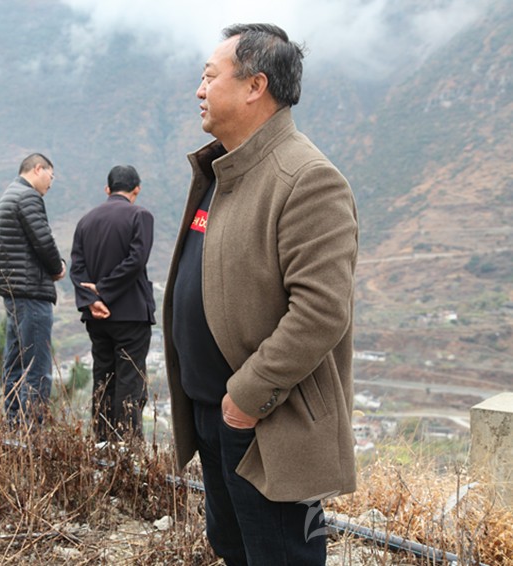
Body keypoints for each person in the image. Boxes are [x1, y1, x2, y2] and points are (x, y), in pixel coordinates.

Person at [163, 24, 359, 565]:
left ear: (256, 86)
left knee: (280, 557)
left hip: (266, 423)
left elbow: (320, 312)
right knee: (234, 549)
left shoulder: (306, 178)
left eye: (210, 77)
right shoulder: (224, 171)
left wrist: (244, 401)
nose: (199, 90)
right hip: (215, 413)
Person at [69, 165, 155, 442]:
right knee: (130, 383)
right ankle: (127, 450)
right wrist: (105, 291)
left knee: (103, 380)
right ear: (136, 189)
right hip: (131, 314)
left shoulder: (86, 221)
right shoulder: (140, 216)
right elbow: (136, 260)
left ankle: (102, 445)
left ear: (108, 189)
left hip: (97, 319)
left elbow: (77, 268)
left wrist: (92, 300)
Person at [0, 153, 66, 427]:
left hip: (14, 292)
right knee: (37, 368)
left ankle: (14, 428)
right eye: (51, 175)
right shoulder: (28, 197)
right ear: (38, 169)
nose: (51, 182)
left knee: (14, 365)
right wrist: (58, 267)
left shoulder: (8, 196)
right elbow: (43, 241)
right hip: (32, 291)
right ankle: (32, 433)